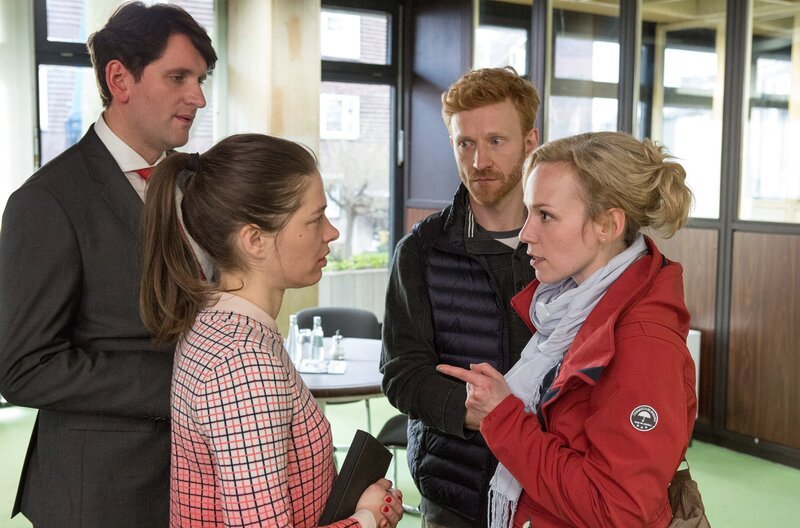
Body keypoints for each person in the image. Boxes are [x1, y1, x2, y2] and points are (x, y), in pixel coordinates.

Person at [0, 3, 217, 527]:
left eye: (202, 79)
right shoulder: (47, 201)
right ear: (119, 78)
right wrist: (183, 384)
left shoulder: (195, 187)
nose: (199, 97)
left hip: (196, 487)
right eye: (178, 77)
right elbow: (23, 368)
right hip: (99, 495)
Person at [139, 133, 404, 528]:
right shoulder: (243, 365)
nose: (331, 232)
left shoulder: (219, 324)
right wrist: (367, 516)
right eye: (315, 219)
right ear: (254, 240)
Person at [437, 131, 697, 528]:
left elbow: (618, 512)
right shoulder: (573, 309)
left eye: (545, 215)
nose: (526, 233)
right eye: (528, 212)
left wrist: (503, 418)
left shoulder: (644, 345)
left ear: (607, 225)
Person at [381, 66, 540, 527]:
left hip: (550, 484)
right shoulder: (421, 251)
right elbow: (401, 374)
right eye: (464, 143)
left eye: (496, 141)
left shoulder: (569, 243)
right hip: (456, 489)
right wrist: (480, 414)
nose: (478, 161)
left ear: (530, 141)